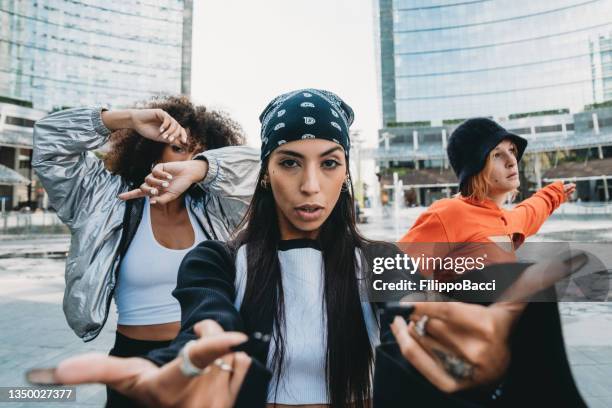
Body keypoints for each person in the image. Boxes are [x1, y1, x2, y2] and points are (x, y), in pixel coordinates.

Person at [32, 95, 259, 407]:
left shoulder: (216, 209)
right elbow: (49, 140)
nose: (185, 162)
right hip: (132, 357)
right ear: (153, 147)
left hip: (203, 358)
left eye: (199, 155)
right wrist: (126, 119)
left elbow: (263, 168)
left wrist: (201, 169)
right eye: (178, 148)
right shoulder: (103, 199)